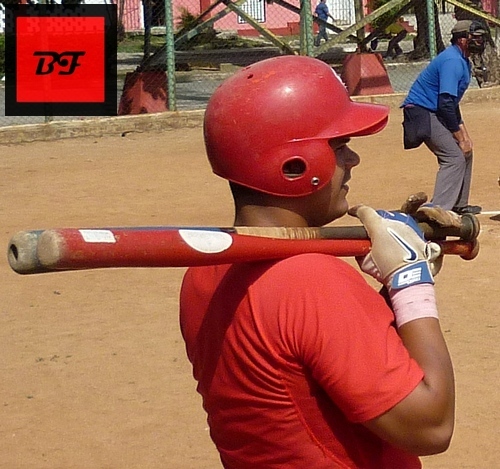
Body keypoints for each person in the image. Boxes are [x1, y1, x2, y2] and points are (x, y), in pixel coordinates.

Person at [179, 55, 456, 468]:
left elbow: (311, 369)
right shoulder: (310, 280)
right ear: (294, 166)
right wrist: (411, 283)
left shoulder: (203, 271)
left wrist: (392, 286)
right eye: (339, 146)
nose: (351, 160)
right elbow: (430, 426)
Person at [401, 19, 486, 215]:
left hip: (435, 110)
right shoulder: (452, 61)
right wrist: (459, 136)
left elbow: (451, 104)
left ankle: (459, 205)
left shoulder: (462, 59)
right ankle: (437, 211)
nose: (479, 41)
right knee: (453, 157)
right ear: (462, 39)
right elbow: (445, 103)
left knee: (465, 151)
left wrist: (464, 136)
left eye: (481, 37)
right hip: (421, 111)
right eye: (475, 37)